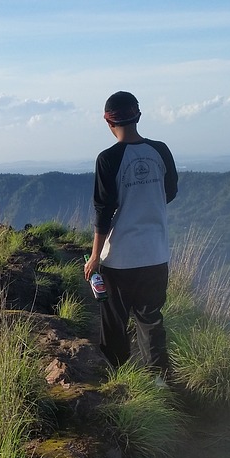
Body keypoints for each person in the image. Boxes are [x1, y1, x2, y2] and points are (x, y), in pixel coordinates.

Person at [83, 91, 179, 382]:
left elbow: (103, 212)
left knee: (114, 322)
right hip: (155, 255)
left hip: (119, 258)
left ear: (108, 122)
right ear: (138, 115)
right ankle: (158, 383)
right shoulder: (160, 151)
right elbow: (170, 192)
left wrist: (95, 258)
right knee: (150, 320)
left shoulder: (108, 159)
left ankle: (118, 381)